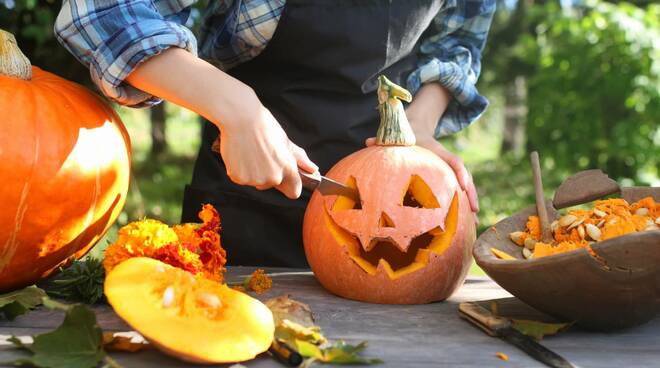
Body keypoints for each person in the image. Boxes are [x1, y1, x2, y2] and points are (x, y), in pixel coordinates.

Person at [55, 0, 495, 267]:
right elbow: (100, 12)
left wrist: (418, 127)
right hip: (245, 195)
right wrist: (236, 109)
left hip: (388, 168)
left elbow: (459, 38)